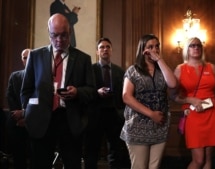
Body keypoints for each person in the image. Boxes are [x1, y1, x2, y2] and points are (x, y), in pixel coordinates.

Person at [20, 13, 96, 169]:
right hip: (40, 121)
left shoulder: (83, 59)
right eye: (55, 35)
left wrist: (78, 92)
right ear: (49, 33)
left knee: (72, 164)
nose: (59, 40)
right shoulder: (35, 56)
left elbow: (92, 91)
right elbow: (26, 90)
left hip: (70, 121)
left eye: (64, 35)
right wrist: (28, 114)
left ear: (70, 32)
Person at [170, 37, 215, 169]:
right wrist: (189, 100)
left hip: (212, 114)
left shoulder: (211, 67)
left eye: (198, 45)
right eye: (192, 45)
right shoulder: (180, 69)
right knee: (198, 160)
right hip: (193, 114)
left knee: (208, 159)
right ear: (187, 49)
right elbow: (173, 96)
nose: (196, 48)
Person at [120, 34, 177, 169]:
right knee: (139, 166)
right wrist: (151, 114)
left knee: (154, 167)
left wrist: (159, 60)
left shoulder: (162, 69)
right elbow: (126, 96)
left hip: (160, 127)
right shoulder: (133, 70)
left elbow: (173, 84)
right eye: (150, 47)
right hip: (137, 127)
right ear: (143, 50)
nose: (154, 49)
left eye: (157, 46)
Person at [84, 37, 126, 169]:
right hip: (95, 114)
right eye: (102, 47)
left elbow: (124, 94)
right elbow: (84, 91)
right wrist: (97, 92)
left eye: (108, 47)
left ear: (111, 50)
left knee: (116, 151)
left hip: (114, 114)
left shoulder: (120, 71)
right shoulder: (89, 70)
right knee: (92, 150)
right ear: (97, 52)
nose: (105, 49)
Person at [6, 48, 31, 169]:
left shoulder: (43, 77)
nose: (28, 59)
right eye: (25, 57)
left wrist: (26, 115)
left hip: (34, 121)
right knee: (18, 157)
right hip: (16, 121)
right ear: (22, 60)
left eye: (30, 56)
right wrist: (19, 116)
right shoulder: (15, 76)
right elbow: (10, 97)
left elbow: (41, 99)